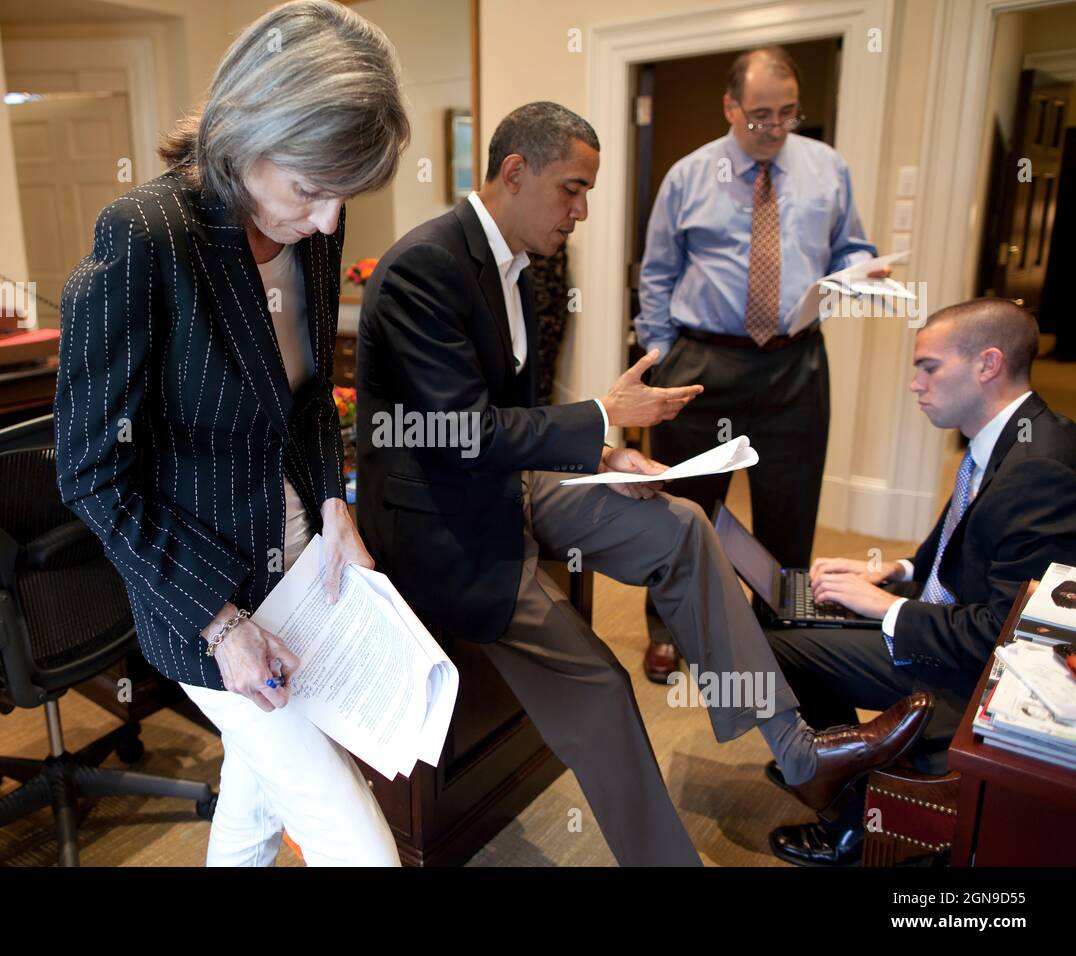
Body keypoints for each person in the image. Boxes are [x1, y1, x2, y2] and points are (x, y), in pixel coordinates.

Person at [355, 100, 933, 867]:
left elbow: (512, 420)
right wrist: (600, 417)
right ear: (513, 172)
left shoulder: (521, 265)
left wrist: (605, 457)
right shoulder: (420, 269)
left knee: (684, 525)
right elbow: (463, 435)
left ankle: (797, 750)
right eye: (572, 188)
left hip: (508, 486)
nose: (583, 211)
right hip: (442, 527)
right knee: (603, 685)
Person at [55, 0, 410, 867]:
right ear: (250, 134)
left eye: (344, 196)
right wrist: (221, 625)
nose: (329, 221)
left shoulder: (308, 226)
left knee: (253, 802)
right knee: (360, 846)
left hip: (299, 564)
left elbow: (310, 394)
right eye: (312, 191)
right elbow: (91, 472)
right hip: (200, 587)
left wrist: (334, 500)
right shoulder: (147, 237)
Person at [767, 298, 1076, 865]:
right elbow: (962, 549)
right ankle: (841, 761)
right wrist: (895, 572)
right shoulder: (1009, 439)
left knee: (775, 648)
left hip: (974, 671)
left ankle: (851, 813)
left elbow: (1004, 637)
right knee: (786, 611)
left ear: (987, 364)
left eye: (929, 367)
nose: (915, 383)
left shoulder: (1039, 470)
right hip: (947, 622)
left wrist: (884, 606)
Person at [634, 46, 888, 681]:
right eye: (760, 114)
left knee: (790, 511)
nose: (774, 127)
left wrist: (865, 266)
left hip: (794, 363)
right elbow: (658, 274)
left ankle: (782, 638)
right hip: (702, 363)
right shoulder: (688, 176)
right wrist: (662, 364)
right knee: (682, 507)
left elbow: (849, 243)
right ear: (731, 106)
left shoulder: (828, 169)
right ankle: (670, 627)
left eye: (788, 113)